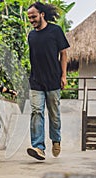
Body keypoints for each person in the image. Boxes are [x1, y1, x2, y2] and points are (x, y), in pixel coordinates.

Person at [26, 2, 70, 160]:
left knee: (54, 115)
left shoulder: (55, 31)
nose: (31, 20)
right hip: (36, 81)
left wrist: (63, 76)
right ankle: (38, 147)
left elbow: (63, 54)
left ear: (42, 14)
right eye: (29, 17)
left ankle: (56, 139)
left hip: (53, 80)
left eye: (34, 16)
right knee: (36, 112)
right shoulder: (31, 35)